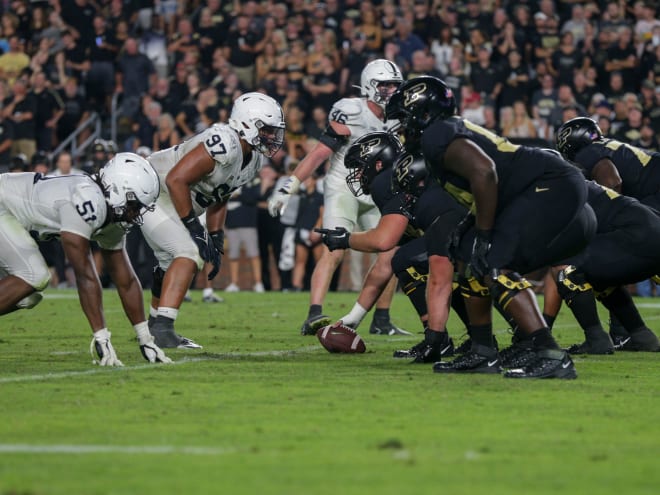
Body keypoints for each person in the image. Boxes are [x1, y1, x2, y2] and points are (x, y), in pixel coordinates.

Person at [386, 76, 597, 379]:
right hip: (537, 186)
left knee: (496, 261)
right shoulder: (444, 131)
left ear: (422, 112)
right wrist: (472, 225)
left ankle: (550, 353)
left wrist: (484, 233)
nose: (402, 128)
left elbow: (485, 172)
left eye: (404, 119)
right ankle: (482, 351)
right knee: (469, 256)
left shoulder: (436, 135)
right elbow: (482, 181)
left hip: (548, 184)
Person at [268, 59, 408, 337]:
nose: (391, 90)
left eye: (395, 84)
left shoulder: (401, 115)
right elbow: (320, 153)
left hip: (379, 188)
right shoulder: (350, 111)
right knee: (334, 247)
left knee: (390, 251)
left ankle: (381, 318)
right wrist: (291, 185)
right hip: (344, 184)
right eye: (384, 84)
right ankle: (314, 314)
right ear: (369, 85)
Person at [142, 92, 286, 349]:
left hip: (173, 198)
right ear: (247, 123)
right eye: (267, 130)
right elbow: (176, 179)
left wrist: (216, 238)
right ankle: (163, 329)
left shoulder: (252, 159)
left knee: (169, 264)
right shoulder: (225, 141)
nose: (272, 137)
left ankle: (154, 326)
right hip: (154, 188)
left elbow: (220, 195)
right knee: (187, 254)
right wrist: (194, 226)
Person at [0, 152, 171, 366]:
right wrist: (101, 337)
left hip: (12, 217)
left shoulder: (110, 213)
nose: (136, 213)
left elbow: (125, 280)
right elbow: (85, 276)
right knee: (34, 275)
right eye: (135, 205)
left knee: (26, 296)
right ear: (118, 189)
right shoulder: (87, 200)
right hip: (2, 204)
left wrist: (145, 338)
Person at [317, 132, 472, 361]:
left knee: (407, 261)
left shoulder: (386, 180)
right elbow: (384, 264)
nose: (358, 175)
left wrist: (345, 239)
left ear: (377, 163)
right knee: (405, 260)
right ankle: (469, 339)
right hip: (468, 227)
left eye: (360, 167)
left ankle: (442, 339)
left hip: (462, 231)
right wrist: (355, 316)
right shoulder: (401, 178)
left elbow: (382, 240)